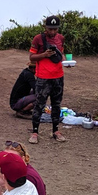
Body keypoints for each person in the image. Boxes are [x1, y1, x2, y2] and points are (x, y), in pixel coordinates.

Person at [29, 15, 67, 144]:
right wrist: (44, 55)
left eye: (55, 29)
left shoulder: (61, 38)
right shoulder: (38, 39)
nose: (52, 32)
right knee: (39, 105)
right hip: (43, 77)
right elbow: (31, 57)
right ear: (45, 27)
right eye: (50, 29)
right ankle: (35, 132)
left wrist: (66, 61)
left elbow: (61, 53)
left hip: (58, 76)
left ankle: (55, 130)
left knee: (56, 104)